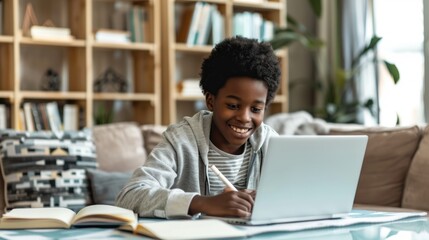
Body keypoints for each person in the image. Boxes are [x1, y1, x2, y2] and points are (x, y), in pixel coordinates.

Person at [116, 36, 281, 219]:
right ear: (211, 101)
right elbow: (130, 196)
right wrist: (202, 203)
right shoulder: (181, 140)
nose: (244, 117)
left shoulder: (271, 143)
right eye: (233, 106)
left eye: (256, 109)